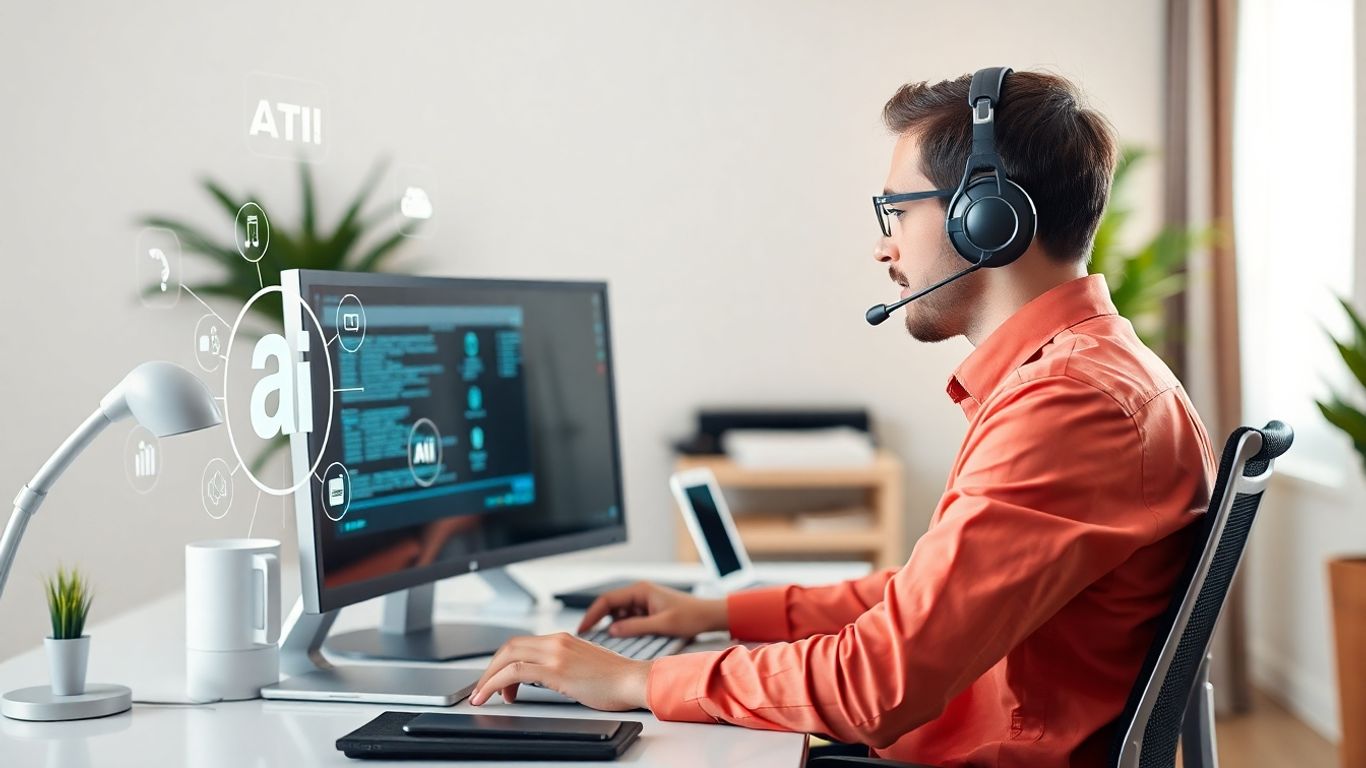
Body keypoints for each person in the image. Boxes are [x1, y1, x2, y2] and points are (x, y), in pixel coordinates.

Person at [470, 69, 1216, 767]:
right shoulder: (1089, 376)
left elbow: (877, 683)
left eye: (896, 208)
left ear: (986, 219)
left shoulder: (1071, 406)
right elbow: (928, 603)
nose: (882, 244)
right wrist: (717, 612)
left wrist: (636, 684)